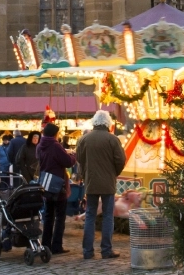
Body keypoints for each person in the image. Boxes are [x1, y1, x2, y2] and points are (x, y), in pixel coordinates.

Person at [75, 111, 127, 260]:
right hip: (107, 183)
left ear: (94, 122)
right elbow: (120, 160)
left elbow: (80, 159)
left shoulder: (84, 139)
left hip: (91, 182)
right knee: (108, 216)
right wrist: (113, 173)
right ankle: (106, 250)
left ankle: (87, 251)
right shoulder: (113, 139)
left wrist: (85, 174)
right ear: (108, 123)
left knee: (90, 215)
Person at [36, 123, 72, 255]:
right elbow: (67, 162)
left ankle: (46, 244)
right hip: (57, 184)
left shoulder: (40, 145)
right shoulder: (56, 145)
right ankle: (57, 246)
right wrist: (73, 155)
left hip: (45, 184)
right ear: (55, 134)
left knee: (48, 215)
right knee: (60, 216)